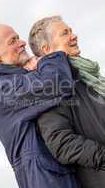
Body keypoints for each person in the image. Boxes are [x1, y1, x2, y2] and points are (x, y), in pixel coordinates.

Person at [0, 24, 80, 188]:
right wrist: (48, 58)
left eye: (18, 37)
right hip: (46, 180)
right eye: (12, 41)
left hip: (62, 174)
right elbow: (57, 83)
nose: (22, 42)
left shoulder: (26, 77)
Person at [28, 15, 105, 188]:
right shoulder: (50, 89)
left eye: (70, 31)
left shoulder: (90, 77)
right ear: (47, 49)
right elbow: (62, 143)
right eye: (65, 33)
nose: (74, 36)